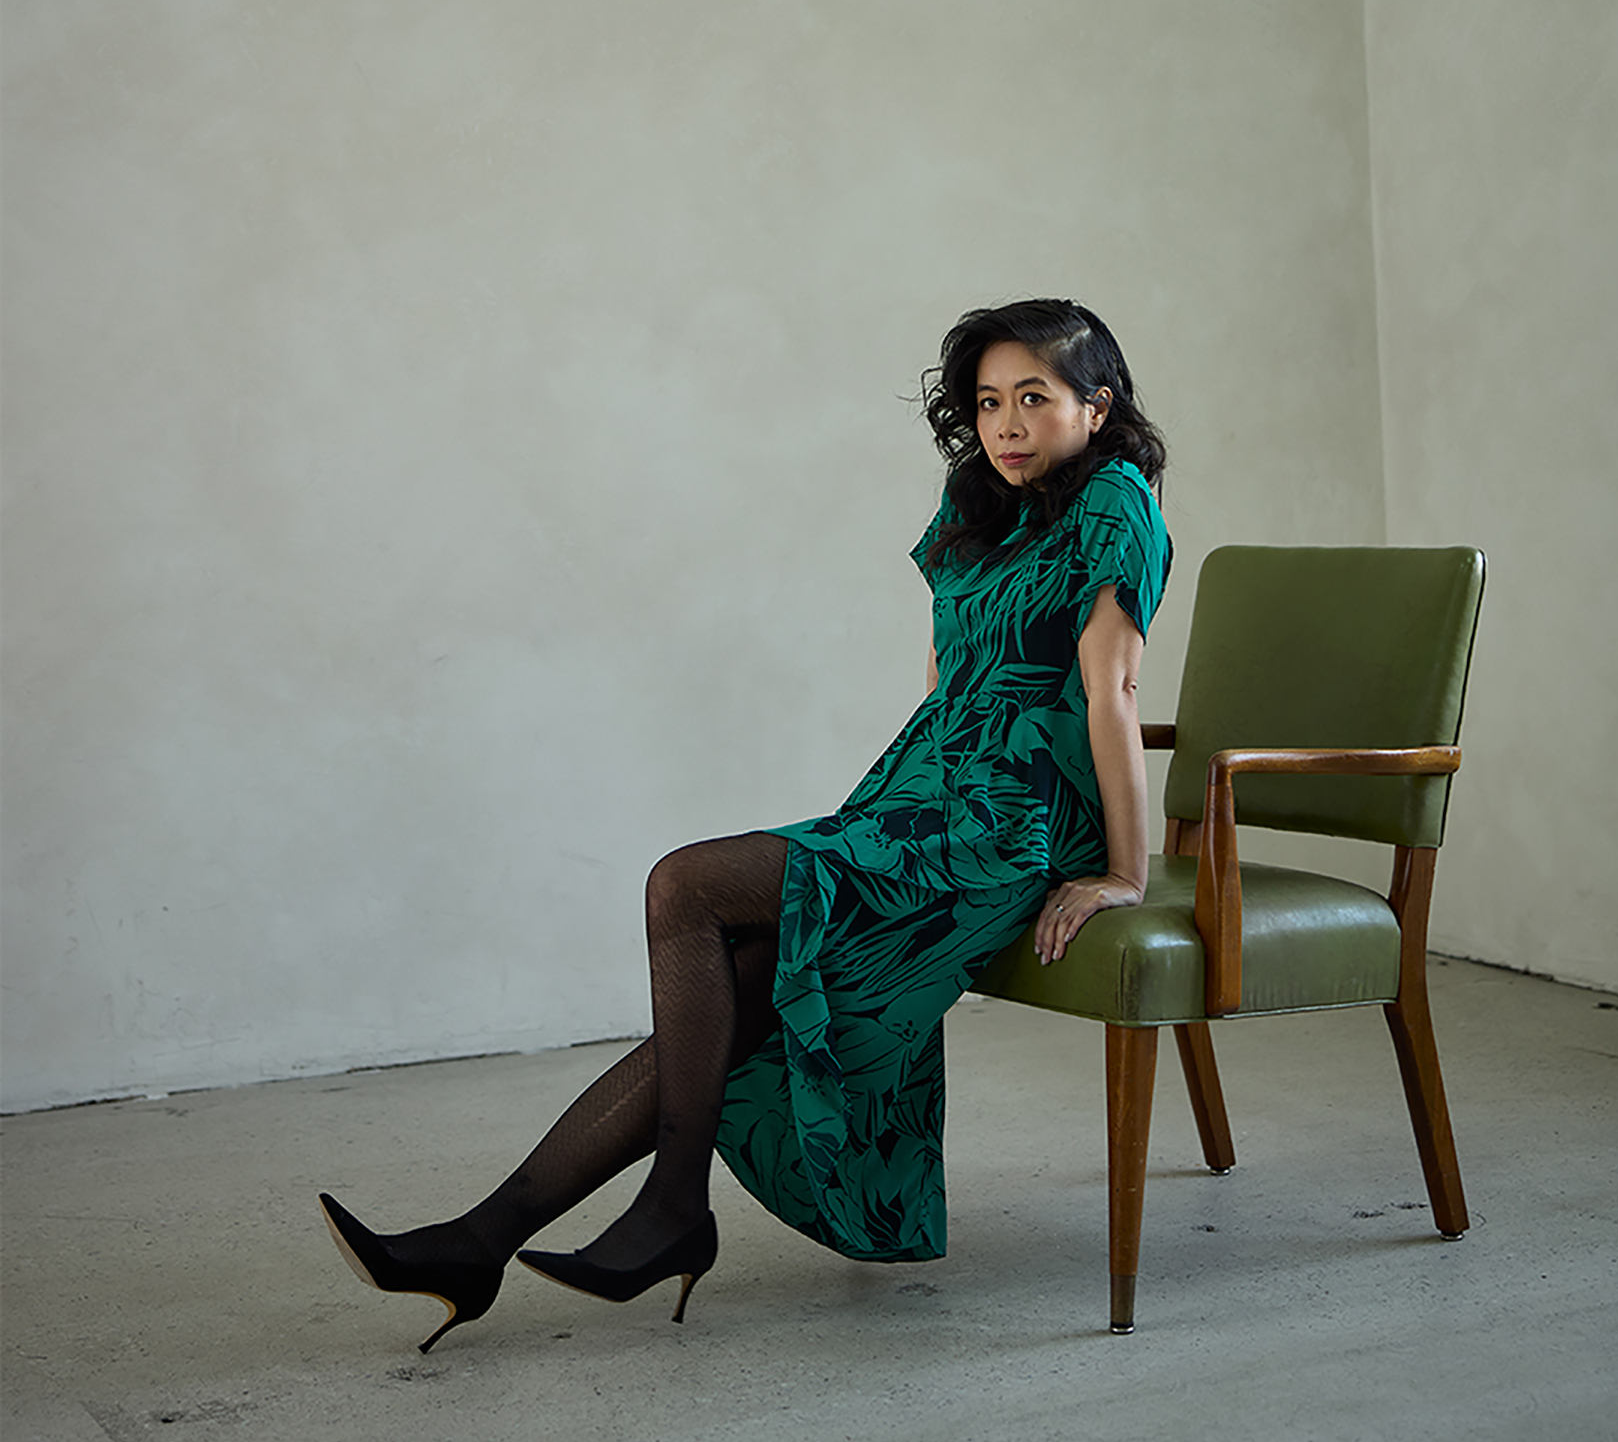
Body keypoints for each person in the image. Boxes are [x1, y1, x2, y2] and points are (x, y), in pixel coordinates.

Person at [319, 298, 1174, 1352]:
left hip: (1007, 833)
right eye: (990, 401)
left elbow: (1114, 697)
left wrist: (1126, 873)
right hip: (921, 804)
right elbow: (947, 685)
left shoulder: (1118, 506)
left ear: (1097, 406)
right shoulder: (980, 509)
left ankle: (669, 1211)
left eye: (1033, 400)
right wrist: (885, 812)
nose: (1005, 424)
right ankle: (479, 1242)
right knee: (740, 986)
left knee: (687, 886)